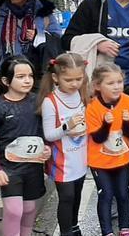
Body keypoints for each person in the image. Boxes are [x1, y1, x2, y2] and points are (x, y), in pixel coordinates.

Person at [0, 56, 49, 236]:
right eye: (20, 77)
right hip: (8, 169)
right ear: (6, 81)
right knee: (14, 211)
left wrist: (47, 147)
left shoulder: (38, 101)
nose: (27, 80)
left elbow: (44, 130)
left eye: (30, 76)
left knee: (29, 209)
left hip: (32, 167)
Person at [85, 62, 129, 236]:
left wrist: (126, 122)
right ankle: (107, 232)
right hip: (99, 161)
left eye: (119, 82)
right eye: (110, 83)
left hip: (121, 158)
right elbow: (98, 138)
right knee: (106, 194)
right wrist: (106, 124)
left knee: (123, 193)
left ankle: (125, 228)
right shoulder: (92, 107)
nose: (116, 87)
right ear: (97, 86)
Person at [40, 53, 89, 236]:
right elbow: (49, 135)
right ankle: (66, 231)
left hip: (80, 156)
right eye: (68, 80)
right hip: (62, 160)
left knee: (77, 194)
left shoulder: (82, 94)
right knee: (67, 197)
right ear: (55, 77)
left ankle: (74, 226)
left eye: (79, 79)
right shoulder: (50, 102)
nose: (74, 84)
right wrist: (67, 127)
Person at [0, 0, 58, 73]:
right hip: (6, 70)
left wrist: (38, 36)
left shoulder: (43, 14)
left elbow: (57, 40)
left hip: (35, 71)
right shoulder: (0, 14)